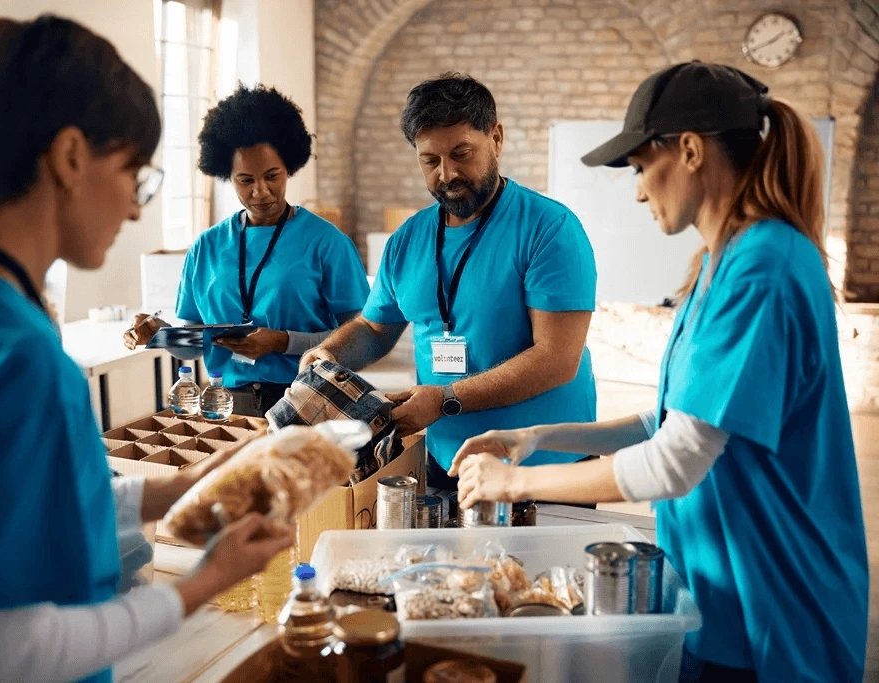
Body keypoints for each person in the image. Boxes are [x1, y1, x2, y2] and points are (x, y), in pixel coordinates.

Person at [0, 16, 293, 683]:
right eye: (134, 175)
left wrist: (180, 488)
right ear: (69, 157)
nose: (136, 209)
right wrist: (204, 581)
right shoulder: (22, 364)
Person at [450, 62, 868, 682]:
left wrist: (514, 484)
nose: (640, 191)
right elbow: (665, 420)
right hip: (718, 591)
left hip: (777, 603)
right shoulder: (715, 266)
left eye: (643, 167)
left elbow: (675, 461)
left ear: (691, 151)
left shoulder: (766, 267)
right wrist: (535, 441)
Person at [301, 73, 598, 517]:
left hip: (545, 469)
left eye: (462, 154)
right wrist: (328, 355)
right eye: (430, 160)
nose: (448, 174)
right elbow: (374, 327)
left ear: (495, 138)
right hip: (447, 463)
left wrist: (444, 399)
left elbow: (557, 358)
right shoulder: (409, 239)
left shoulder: (549, 229)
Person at [124, 84, 370, 417]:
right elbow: (195, 345)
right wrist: (161, 335)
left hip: (308, 400)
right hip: (227, 403)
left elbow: (358, 342)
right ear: (227, 176)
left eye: (272, 176)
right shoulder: (207, 247)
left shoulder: (327, 242)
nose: (261, 191)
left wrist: (282, 342)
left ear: (290, 168)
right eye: (245, 180)